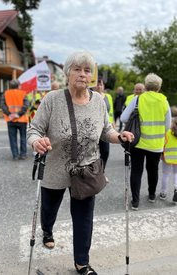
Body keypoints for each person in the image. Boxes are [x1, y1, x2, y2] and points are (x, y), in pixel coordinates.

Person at [27, 51, 134, 275]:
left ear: (92, 76)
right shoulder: (52, 100)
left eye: (87, 70)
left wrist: (119, 137)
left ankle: (82, 262)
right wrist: (37, 141)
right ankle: (47, 231)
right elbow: (34, 129)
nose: (83, 74)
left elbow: (106, 130)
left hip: (86, 171)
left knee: (84, 219)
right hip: (55, 170)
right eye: (77, 69)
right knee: (49, 210)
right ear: (68, 73)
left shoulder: (99, 102)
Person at [121, 73, 171, 210]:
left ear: (146, 85)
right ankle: (152, 195)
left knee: (136, 171)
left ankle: (135, 201)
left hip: (138, 142)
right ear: (159, 87)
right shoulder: (164, 101)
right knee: (153, 170)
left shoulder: (138, 99)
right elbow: (168, 126)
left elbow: (124, 118)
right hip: (156, 145)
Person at [1, 79, 29, 160]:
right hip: (22, 120)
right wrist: (18, 114)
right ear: (18, 86)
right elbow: (26, 105)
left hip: (10, 119)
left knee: (12, 138)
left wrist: (10, 114)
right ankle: (23, 154)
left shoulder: (5, 94)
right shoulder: (23, 93)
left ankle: (15, 155)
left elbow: (3, 106)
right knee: (23, 137)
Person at [94, 76, 114, 182]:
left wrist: (113, 122)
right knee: (93, 152)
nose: (98, 86)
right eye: (96, 84)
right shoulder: (89, 96)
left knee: (105, 151)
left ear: (103, 86)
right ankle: (94, 174)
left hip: (105, 128)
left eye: (100, 84)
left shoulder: (108, 97)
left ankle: (101, 172)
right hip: (93, 128)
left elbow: (110, 111)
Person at [159, 116, 177, 203]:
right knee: (176, 174)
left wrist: (161, 154)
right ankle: (176, 189)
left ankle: (163, 193)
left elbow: (163, 144)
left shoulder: (168, 132)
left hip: (167, 157)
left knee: (165, 175)